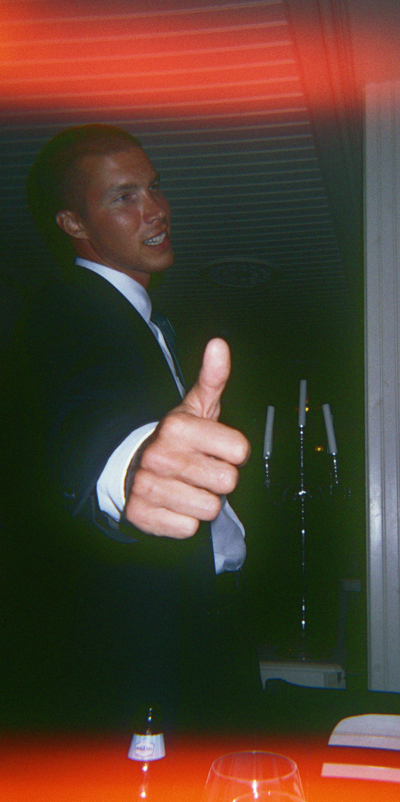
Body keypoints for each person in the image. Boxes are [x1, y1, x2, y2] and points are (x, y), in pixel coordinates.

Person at [1, 124, 261, 732]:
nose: (157, 208)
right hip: (143, 662)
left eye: (154, 187)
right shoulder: (68, 306)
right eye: (124, 196)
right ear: (73, 223)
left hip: (204, 624)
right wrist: (127, 469)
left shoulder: (150, 323)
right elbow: (85, 420)